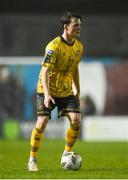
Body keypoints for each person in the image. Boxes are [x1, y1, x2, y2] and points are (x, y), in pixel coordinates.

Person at [27, 11, 83, 171]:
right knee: (42, 122)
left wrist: (78, 90)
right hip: (47, 89)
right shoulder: (54, 46)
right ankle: (32, 160)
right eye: (76, 25)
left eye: (80, 25)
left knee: (76, 120)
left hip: (65, 91)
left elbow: (75, 69)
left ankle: (66, 154)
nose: (79, 28)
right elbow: (44, 71)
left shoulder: (79, 47)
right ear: (66, 26)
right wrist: (47, 95)